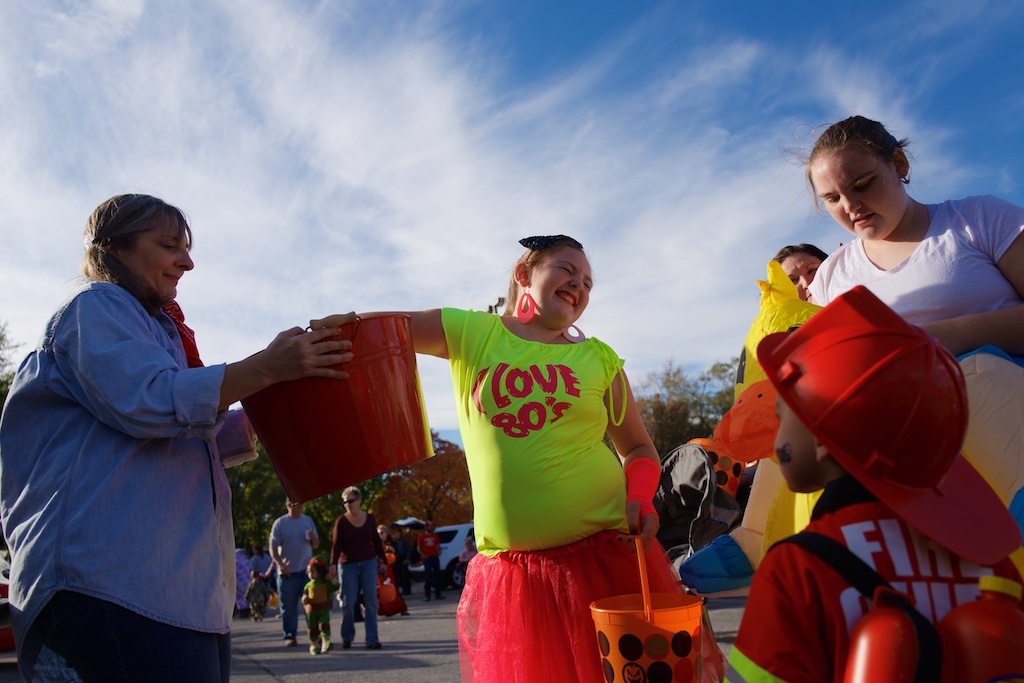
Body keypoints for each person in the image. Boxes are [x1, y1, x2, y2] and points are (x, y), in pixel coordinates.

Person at [0, 193, 352, 681]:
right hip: (109, 586)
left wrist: (276, 395)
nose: (187, 262)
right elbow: (148, 400)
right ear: (114, 249)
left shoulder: (157, 330)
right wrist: (264, 369)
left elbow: (184, 435)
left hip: (175, 592)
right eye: (168, 245)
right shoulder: (95, 306)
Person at [310, 235, 690, 682]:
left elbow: (640, 448)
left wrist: (643, 497)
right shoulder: (474, 333)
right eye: (567, 270)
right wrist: (343, 325)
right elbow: (393, 328)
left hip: (605, 559)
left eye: (588, 282)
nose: (580, 285)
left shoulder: (600, 359)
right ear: (524, 274)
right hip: (516, 580)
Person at [726, 286, 1023, 682]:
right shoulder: (993, 558)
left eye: (785, 414)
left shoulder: (798, 568)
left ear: (821, 438)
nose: (777, 435)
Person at [805, 115, 1024, 531]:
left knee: (977, 374)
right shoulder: (830, 278)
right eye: (832, 198)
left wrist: (938, 340)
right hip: (900, 446)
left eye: (862, 184)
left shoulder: (979, 218)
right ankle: (758, 540)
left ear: (899, 165)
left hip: (1005, 409)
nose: (850, 207)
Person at [327, 486, 387, 650]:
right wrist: (332, 564)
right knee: (348, 602)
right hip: (347, 566)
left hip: (368, 563)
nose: (348, 504)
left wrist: (383, 561)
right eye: (345, 502)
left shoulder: (370, 519)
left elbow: (376, 541)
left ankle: (372, 639)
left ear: (359, 500)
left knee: (371, 602)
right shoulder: (341, 522)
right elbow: (337, 544)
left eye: (351, 501)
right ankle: (347, 637)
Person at [270, 500, 321, 647]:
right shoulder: (280, 523)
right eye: (295, 504)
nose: (299, 507)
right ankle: (290, 635)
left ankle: (314, 635)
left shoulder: (307, 521)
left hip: (307, 572)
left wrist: (313, 538)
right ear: (288, 505)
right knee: (289, 608)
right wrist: (280, 564)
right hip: (287, 573)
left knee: (311, 605)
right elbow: (273, 548)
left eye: (301, 504)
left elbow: (316, 545)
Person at [301, 558, 336, 655]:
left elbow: (335, 587)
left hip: (324, 609)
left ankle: (326, 643)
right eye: (309, 572)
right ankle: (314, 644)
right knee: (312, 628)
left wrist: (332, 579)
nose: (310, 574)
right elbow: (305, 594)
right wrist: (304, 598)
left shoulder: (325, 583)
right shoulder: (308, 585)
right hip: (312, 610)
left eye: (313, 572)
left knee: (324, 625)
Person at [416, 521, 444, 601]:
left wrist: (439, 552)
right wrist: (423, 554)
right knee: (427, 577)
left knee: (437, 576)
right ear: (426, 527)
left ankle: (438, 594)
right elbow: (418, 548)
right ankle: (427, 596)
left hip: (435, 557)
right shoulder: (422, 536)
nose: (431, 528)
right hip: (427, 558)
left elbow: (438, 545)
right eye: (430, 526)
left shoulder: (435, 535)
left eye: (432, 526)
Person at [389, 526, 413, 596]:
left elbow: (408, 550)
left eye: (398, 533)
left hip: (403, 559)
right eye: (396, 533)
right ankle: (402, 590)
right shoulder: (394, 542)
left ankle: (407, 590)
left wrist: (407, 559)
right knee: (399, 575)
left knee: (405, 575)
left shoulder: (404, 541)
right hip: (397, 559)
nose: (397, 534)